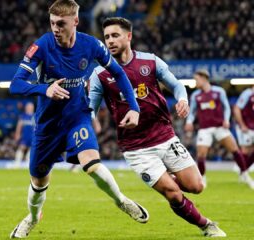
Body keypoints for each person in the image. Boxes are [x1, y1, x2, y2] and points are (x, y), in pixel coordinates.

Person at [9, 1, 149, 238]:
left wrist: (134, 106)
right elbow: (16, 84)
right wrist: (45, 89)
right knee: (38, 181)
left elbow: (118, 72)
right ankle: (32, 217)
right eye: (52, 23)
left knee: (91, 165)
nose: (55, 28)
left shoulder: (91, 45)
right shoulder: (41, 46)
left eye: (61, 23)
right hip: (47, 125)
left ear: (75, 21)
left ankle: (121, 200)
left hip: (77, 117)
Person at [89, 17, 226, 237]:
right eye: (106, 37)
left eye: (115, 35)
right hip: (135, 148)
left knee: (196, 186)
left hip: (165, 137)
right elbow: (91, 109)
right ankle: (206, 225)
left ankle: (168, 178)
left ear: (129, 36)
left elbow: (176, 84)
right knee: (173, 194)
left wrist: (182, 100)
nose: (110, 41)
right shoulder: (99, 75)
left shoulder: (150, 62)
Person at [184, 69, 253, 189]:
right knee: (201, 155)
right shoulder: (196, 95)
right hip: (205, 128)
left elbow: (226, 107)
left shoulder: (219, 92)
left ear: (204, 78)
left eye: (196, 79)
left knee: (235, 150)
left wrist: (226, 119)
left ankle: (245, 175)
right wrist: (189, 121)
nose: (195, 82)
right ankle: (203, 179)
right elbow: (193, 111)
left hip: (220, 127)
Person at [233, 85, 254, 174]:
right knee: (246, 149)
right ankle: (242, 171)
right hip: (246, 126)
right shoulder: (247, 93)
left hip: (252, 126)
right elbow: (237, 108)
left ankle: (244, 169)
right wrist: (242, 125)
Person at [12, 102, 35, 168]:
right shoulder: (23, 116)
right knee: (21, 148)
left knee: (31, 150)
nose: (29, 108)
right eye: (28, 107)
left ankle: (28, 163)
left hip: (33, 136)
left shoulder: (35, 116)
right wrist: (17, 134)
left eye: (31, 107)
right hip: (25, 136)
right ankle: (17, 163)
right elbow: (19, 126)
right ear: (26, 108)